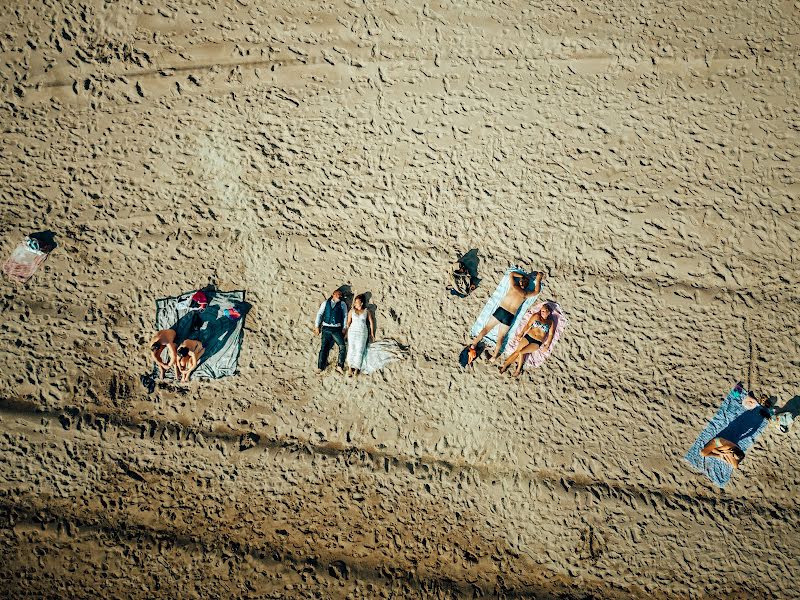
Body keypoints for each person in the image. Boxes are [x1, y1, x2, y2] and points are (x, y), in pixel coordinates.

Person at [469, 270, 545, 362]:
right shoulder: (525, 294)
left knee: (486, 329)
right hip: (509, 316)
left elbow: (511, 274)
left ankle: (473, 345)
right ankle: (493, 357)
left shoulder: (513, 287)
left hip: (501, 311)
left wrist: (524, 276)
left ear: (520, 282)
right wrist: (538, 279)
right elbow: (537, 291)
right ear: (527, 286)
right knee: (500, 337)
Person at [499, 303, 555, 377]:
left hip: (537, 342)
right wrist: (521, 333)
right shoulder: (536, 316)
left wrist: (547, 345)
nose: (543, 313)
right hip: (528, 336)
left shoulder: (550, 322)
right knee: (517, 351)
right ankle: (504, 366)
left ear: (549, 312)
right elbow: (528, 325)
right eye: (542, 311)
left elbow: (551, 335)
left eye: (544, 311)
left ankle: (518, 370)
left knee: (521, 352)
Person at [314, 288, 348, 374]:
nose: (340, 296)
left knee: (342, 346)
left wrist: (344, 327)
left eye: (341, 295)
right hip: (326, 328)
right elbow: (320, 314)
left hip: (337, 329)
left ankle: (340, 366)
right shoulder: (326, 303)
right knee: (324, 347)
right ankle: (320, 367)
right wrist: (317, 326)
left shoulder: (342, 304)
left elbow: (345, 316)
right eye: (338, 294)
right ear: (333, 294)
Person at [345, 294, 375, 376]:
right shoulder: (351, 311)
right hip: (352, 331)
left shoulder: (366, 311)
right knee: (351, 348)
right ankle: (350, 368)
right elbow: (348, 323)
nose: (355, 303)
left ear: (361, 303)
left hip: (362, 332)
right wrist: (346, 333)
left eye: (357, 302)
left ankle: (357, 368)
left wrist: (372, 333)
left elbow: (371, 322)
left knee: (360, 349)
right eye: (355, 302)